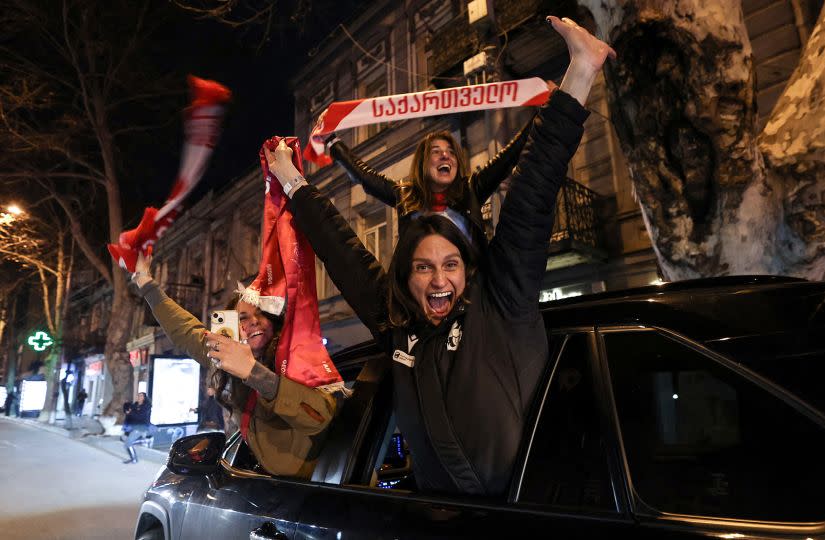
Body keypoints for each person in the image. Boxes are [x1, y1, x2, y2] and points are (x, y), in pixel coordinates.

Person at [265, 15, 615, 495]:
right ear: (404, 279)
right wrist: (292, 179)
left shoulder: (502, 303)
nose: (437, 281)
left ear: (468, 270)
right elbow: (340, 248)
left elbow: (533, 188)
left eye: (450, 265)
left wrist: (580, 72)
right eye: (423, 268)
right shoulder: (395, 321)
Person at [131, 257, 338, 478]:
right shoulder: (227, 357)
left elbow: (320, 418)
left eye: (261, 314)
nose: (254, 321)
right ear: (231, 328)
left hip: (314, 486)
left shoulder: (296, 358)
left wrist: (254, 373)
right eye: (243, 318)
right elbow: (185, 330)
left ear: (273, 320)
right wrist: (145, 281)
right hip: (266, 483)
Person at [326, 114, 533, 248]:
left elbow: (510, 156)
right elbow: (365, 177)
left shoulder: (472, 189)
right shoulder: (404, 195)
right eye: (437, 152)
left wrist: (548, 110)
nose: (446, 156)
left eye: (451, 152)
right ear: (423, 164)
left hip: (470, 300)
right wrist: (333, 142)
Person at [122, 392, 153, 464]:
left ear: (144, 398)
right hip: (134, 426)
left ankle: (134, 459)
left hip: (141, 427)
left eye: (141, 396)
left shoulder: (146, 406)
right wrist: (127, 408)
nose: (139, 397)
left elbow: (140, 416)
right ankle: (145, 441)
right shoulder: (135, 405)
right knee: (126, 441)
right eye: (138, 396)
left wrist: (131, 413)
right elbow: (127, 409)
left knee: (128, 443)